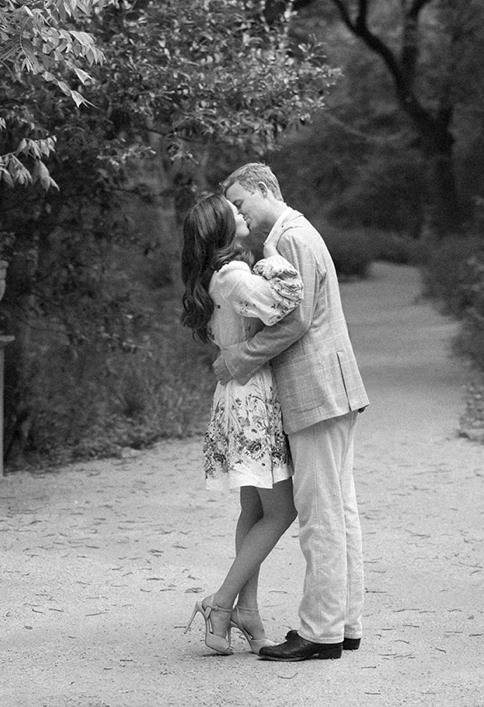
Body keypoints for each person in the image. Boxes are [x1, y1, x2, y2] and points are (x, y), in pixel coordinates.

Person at [215, 163, 369, 662]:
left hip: (316, 392)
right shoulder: (292, 234)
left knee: (320, 515)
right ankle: (344, 624)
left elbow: (297, 319)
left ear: (264, 189)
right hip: (329, 390)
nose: (238, 213)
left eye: (241, 202)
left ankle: (320, 633)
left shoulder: (291, 237)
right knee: (338, 511)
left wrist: (238, 358)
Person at [179, 193, 302, 655]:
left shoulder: (223, 273)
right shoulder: (232, 274)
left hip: (241, 394)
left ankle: (246, 612)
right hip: (250, 398)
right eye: (232, 211)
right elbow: (283, 303)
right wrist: (273, 258)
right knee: (282, 510)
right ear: (221, 229)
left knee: (253, 512)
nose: (241, 212)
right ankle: (222, 602)